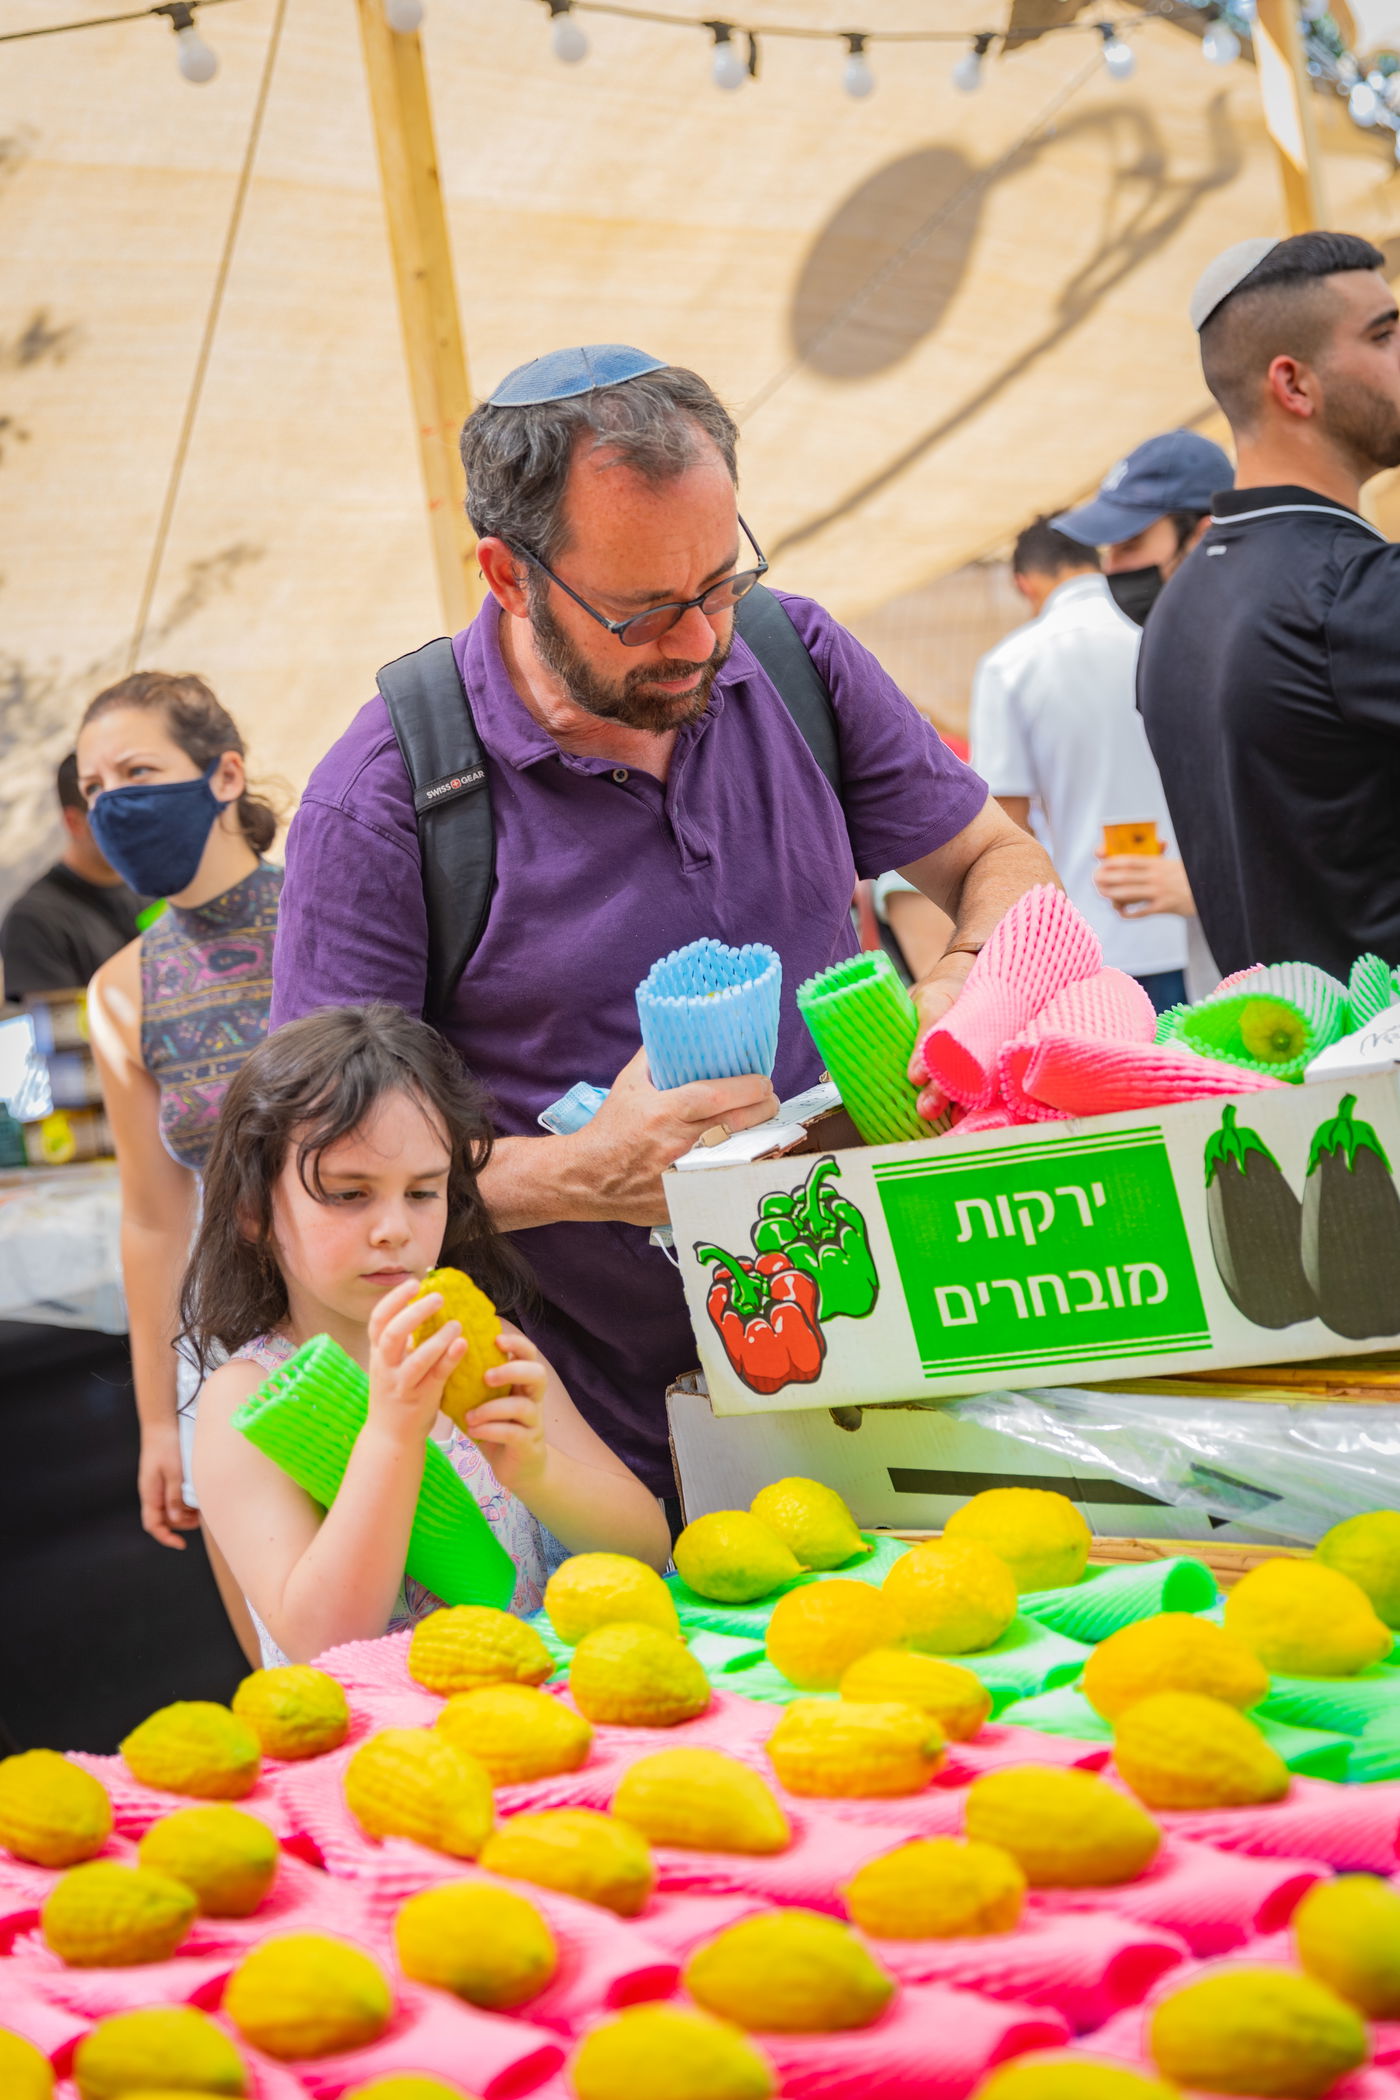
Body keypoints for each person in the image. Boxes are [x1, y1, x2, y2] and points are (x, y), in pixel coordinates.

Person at [271, 346, 1052, 1510]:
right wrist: (584, 1173)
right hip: (611, 1445)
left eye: (718, 583)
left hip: (900, 1344)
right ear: (507, 574)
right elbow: (312, 1172)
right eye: (640, 611)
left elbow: (997, 859)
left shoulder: (792, 658)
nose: (696, 642)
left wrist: (958, 989)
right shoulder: (389, 800)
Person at [186, 1006, 670, 1664]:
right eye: (348, 1194)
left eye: (421, 1193)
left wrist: (538, 1471)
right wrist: (391, 1435)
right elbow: (322, 1640)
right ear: (252, 1211)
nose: (394, 1228)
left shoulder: (478, 1343)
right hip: (394, 1751)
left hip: (531, 1715)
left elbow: (646, 1550)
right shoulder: (249, 1398)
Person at [80, 671, 281, 1657]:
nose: (113, 802)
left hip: (398, 1318)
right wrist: (162, 1426)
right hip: (235, 1364)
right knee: (293, 1675)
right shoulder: (121, 991)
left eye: (137, 770)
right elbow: (155, 1222)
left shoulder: (339, 911)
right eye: (93, 788)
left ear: (224, 773)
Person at [1139, 231, 1400, 981]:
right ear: (1294, 385)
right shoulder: (1357, 591)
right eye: (1383, 334)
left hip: (1277, 1066)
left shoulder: (1176, 610)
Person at [965, 516, 1189, 1013]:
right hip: (1196, 925)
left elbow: (1007, 827)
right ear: (1098, 560)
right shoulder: (1161, 638)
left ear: (1025, 583)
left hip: (1091, 949)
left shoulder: (1012, 664)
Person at [1052, 428, 1233, 629]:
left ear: (1203, 536)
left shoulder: (1253, 639)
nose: (1110, 566)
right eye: (1109, 549)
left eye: (1130, 545)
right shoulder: (1175, 636)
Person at [2, 753, 142, 1003]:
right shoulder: (33, 921)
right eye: (114, 818)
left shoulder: (153, 882)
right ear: (74, 822)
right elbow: (58, 1034)